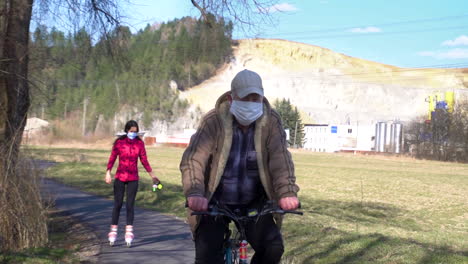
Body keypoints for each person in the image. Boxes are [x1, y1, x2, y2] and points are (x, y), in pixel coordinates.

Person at [180, 69, 300, 264]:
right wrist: (195, 193)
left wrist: (286, 192)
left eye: (256, 98)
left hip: (255, 203)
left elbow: (280, 160)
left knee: (273, 248)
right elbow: (194, 159)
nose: (251, 104)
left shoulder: (271, 122)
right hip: (215, 202)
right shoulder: (213, 121)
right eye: (246, 98)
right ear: (231, 97)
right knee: (207, 256)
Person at [105, 120, 160, 246]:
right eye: (131, 131)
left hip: (133, 178)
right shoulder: (119, 143)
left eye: (135, 132)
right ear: (126, 131)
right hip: (120, 177)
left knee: (130, 205)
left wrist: (153, 175)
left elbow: (144, 160)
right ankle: (113, 232)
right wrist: (108, 171)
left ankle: (129, 233)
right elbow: (112, 157)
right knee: (118, 204)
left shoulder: (139, 144)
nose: (133, 134)